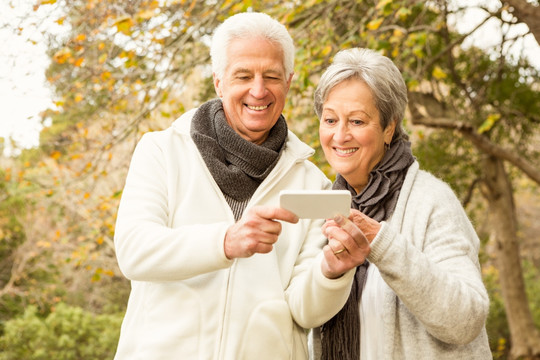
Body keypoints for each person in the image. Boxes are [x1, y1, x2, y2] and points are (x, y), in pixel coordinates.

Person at [113, 12, 361, 360]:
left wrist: (331, 272)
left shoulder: (313, 185)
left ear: (288, 82)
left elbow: (306, 312)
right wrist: (225, 241)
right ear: (219, 81)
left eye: (271, 76)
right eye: (243, 75)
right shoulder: (162, 150)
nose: (258, 90)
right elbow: (134, 251)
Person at [309, 48, 492, 359]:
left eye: (356, 121)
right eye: (330, 119)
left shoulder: (433, 201)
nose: (339, 135)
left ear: (389, 127)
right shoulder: (321, 205)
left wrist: (381, 242)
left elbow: (466, 320)